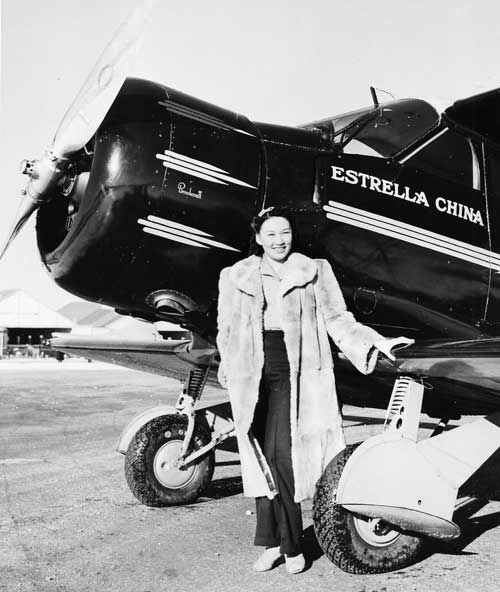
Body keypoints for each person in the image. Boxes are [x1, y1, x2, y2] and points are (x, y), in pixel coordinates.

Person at [216, 206, 412, 574]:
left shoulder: (314, 270)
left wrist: (375, 343)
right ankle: (270, 543)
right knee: (258, 457)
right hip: (250, 374)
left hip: (295, 370)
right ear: (258, 238)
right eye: (271, 234)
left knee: (280, 456)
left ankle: (291, 546)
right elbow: (226, 327)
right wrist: (227, 364)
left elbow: (338, 319)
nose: (279, 240)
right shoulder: (235, 275)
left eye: (285, 232)